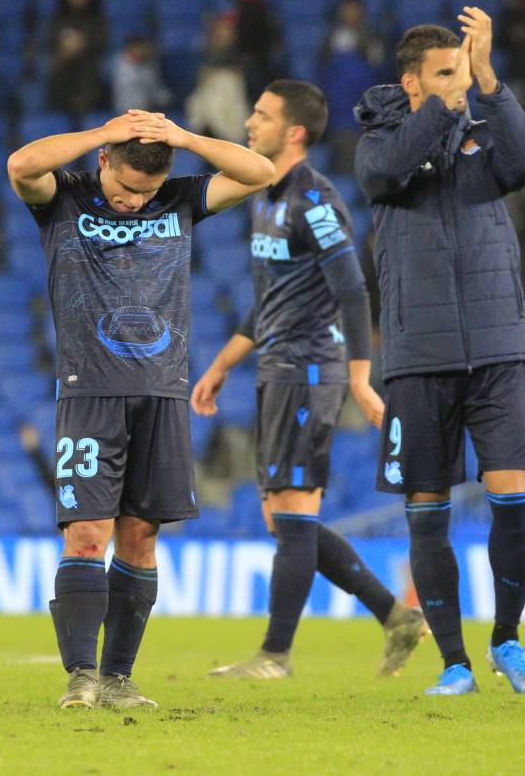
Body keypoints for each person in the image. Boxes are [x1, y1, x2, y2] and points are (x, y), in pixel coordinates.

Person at [6, 109, 275, 709]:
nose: (134, 202)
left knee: (140, 538)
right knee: (85, 535)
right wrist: (102, 131)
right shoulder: (65, 199)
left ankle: (119, 679)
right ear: (103, 161)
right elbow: (21, 164)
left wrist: (181, 139)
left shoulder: (178, 200)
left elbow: (260, 170)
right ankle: (81, 678)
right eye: (127, 188)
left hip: (162, 389)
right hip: (89, 391)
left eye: (146, 191)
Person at [191, 79, 428, 680]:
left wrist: (358, 379)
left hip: (309, 369)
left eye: (262, 116)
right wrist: (220, 367)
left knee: (294, 512)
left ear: (293, 131)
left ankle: (275, 657)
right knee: (283, 519)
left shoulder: (314, 201)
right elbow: (268, 300)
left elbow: (352, 287)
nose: (249, 122)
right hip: (278, 366)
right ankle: (394, 616)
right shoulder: (265, 196)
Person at [354, 11, 525, 696]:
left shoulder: (482, 129)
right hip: (418, 355)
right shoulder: (379, 142)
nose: (458, 86)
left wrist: (488, 81)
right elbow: (388, 173)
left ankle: (508, 641)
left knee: (514, 502)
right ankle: (454, 663)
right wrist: (443, 110)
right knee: (427, 514)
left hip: (499, 345)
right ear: (411, 83)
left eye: (461, 74)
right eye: (446, 75)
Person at [319, 0, 386, 171]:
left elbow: (377, 67)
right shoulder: (331, 36)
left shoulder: (371, 37)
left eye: (353, 10)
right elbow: (322, 68)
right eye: (346, 10)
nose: (350, 14)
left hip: (361, 112)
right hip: (338, 112)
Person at [45, 0, 109, 116]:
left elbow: (102, 42)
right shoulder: (58, 19)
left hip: (88, 75)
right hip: (61, 75)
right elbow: (49, 42)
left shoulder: (96, 20)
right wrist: (65, 49)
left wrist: (82, 44)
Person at [221, 0, 279, 102]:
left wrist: (232, 34)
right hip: (245, 59)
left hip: (255, 62)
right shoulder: (240, 4)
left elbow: (253, 37)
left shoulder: (256, 4)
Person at [111, 35, 171, 114]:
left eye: (143, 48)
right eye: (138, 48)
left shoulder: (149, 65)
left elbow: (155, 88)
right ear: (130, 48)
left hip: (148, 108)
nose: (142, 51)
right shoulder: (116, 64)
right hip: (124, 108)